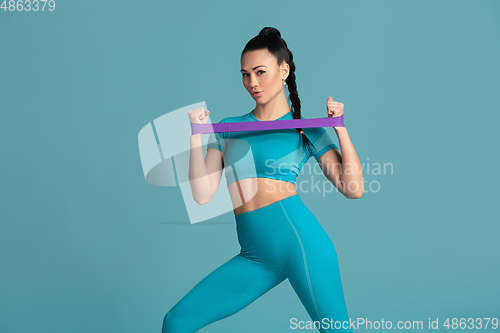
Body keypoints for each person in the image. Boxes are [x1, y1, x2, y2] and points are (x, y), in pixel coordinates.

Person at [162, 27, 363, 333]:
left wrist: (340, 129)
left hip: (300, 243)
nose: (252, 83)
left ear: (283, 71)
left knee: (337, 331)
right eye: (245, 74)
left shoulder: (304, 128)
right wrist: (196, 136)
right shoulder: (228, 127)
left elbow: (354, 189)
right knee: (176, 322)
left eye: (259, 72)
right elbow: (203, 194)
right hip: (255, 254)